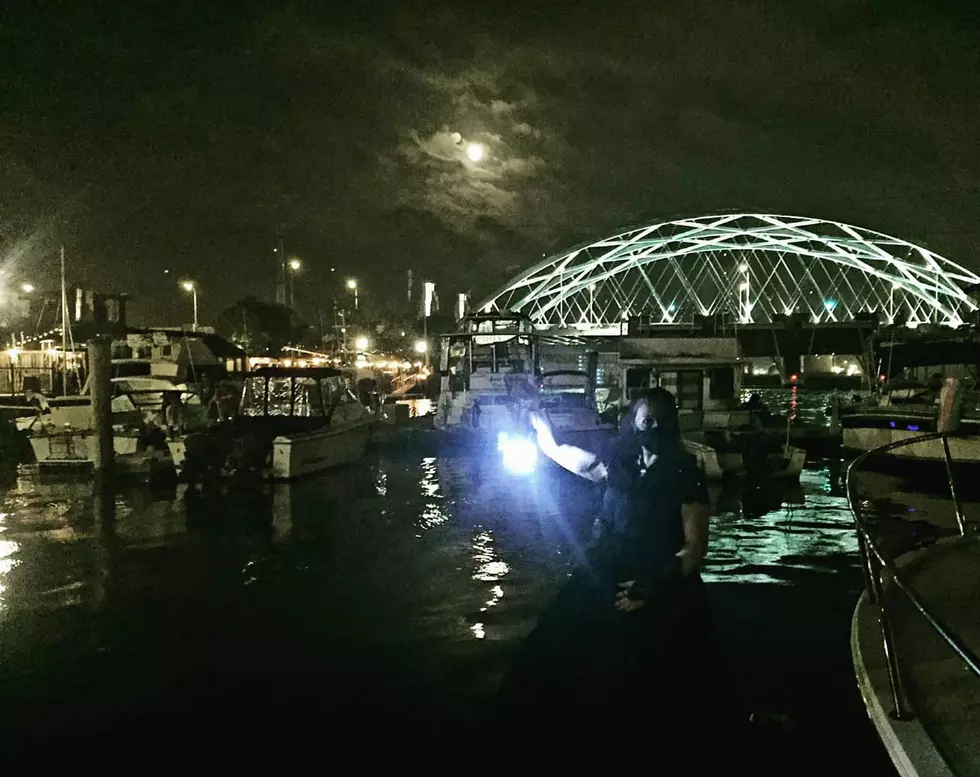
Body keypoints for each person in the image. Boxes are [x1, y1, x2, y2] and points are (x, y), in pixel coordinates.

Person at [494, 387, 745, 755]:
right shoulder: (616, 463)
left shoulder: (684, 474)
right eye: (647, 420)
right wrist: (537, 417)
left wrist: (655, 587)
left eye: (661, 421)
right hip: (604, 573)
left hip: (660, 580)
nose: (653, 427)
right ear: (633, 422)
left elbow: (695, 547)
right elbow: (560, 453)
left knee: (665, 692)